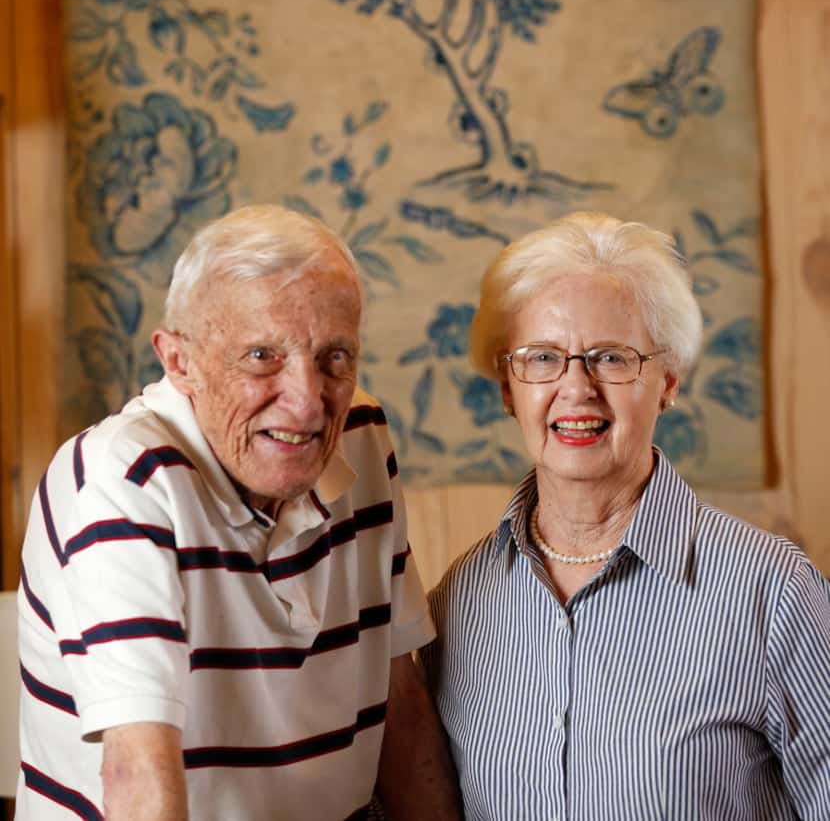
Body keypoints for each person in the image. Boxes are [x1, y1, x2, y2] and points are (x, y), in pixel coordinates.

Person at [17, 205, 462, 821]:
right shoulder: (122, 479)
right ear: (179, 361)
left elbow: (398, 700)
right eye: (262, 357)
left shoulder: (358, 432)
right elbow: (136, 775)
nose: (308, 403)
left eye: (335, 357)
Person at [422, 211, 830, 821]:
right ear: (508, 388)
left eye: (611, 358)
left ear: (668, 378)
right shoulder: (456, 604)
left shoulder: (774, 594)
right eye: (541, 359)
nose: (576, 387)